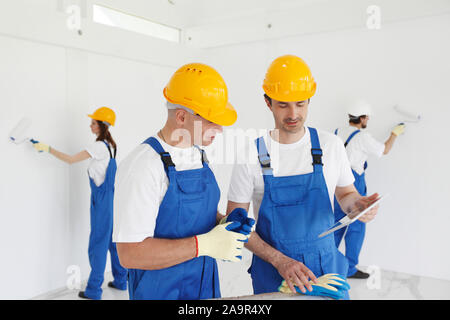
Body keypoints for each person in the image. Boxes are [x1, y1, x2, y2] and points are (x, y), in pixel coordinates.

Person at [225, 55, 380, 298]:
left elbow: (346, 194)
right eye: (283, 105)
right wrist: (279, 260)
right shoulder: (251, 154)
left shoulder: (331, 145)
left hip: (325, 269)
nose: (293, 113)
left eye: (300, 104)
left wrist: (358, 206)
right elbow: (235, 224)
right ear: (268, 102)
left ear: (309, 100)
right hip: (272, 273)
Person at [113, 63, 251, 300]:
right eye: (211, 120)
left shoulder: (199, 155)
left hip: (204, 287)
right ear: (181, 116)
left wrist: (224, 223)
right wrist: (204, 245)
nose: (219, 129)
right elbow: (129, 253)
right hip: (160, 292)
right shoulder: (144, 166)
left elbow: (194, 217)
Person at [33, 107, 128, 300]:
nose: (90, 125)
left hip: (101, 202)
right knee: (111, 241)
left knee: (98, 244)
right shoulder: (111, 146)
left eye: (93, 122)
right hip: (111, 200)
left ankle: (93, 290)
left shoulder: (99, 147)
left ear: (102, 125)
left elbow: (70, 160)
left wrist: (47, 148)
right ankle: (121, 280)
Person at [333, 100, 405, 279]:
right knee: (357, 225)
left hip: (336, 183)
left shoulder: (336, 133)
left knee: (336, 224)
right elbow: (385, 150)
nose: (368, 120)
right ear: (363, 118)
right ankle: (349, 268)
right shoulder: (362, 137)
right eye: (367, 118)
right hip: (354, 183)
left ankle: (329, 264)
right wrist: (394, 134)